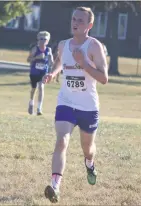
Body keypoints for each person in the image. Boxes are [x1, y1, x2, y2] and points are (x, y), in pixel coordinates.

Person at [43, 7, 108, 203]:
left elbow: (104, 78)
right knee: (62, 140)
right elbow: (60, 63)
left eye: (80, 20)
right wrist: (53, 73)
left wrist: (84, 63)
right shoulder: (63, 45)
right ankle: (55, 186)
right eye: (73, 19)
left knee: (87, 148)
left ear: (89, 25)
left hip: (88, 106)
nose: (75, 23)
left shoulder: (94, 47)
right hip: (66, 102)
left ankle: (89, 163)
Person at [27, 31, 54, 115]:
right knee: (33, 89)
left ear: (48, 41)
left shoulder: (48, 50)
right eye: (41, 39)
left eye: (45, 39)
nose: (43, 41)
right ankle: (31, 103)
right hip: (34, 71)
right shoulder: (35, 49)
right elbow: (28, 60)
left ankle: (39, 109)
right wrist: (36, 57)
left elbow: (51, 62)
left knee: (41, 87)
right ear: (38, 40)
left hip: (43, 71)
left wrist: (52, 65)